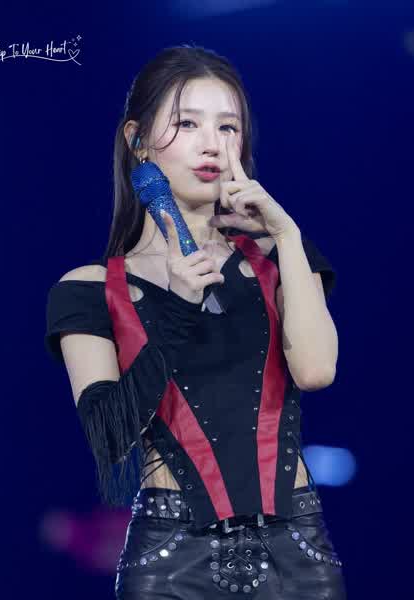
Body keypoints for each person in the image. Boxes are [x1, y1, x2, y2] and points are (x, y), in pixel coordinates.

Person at [45, 44, 347, 599]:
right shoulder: (90, 288)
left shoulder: (280, 258)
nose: (212, 143)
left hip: (296, 550)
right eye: (187, 124)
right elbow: (108, 436)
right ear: (137, 140)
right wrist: (178, 308)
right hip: (170, 556)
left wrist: (286, 235)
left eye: (228, 127)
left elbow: (315, 371)